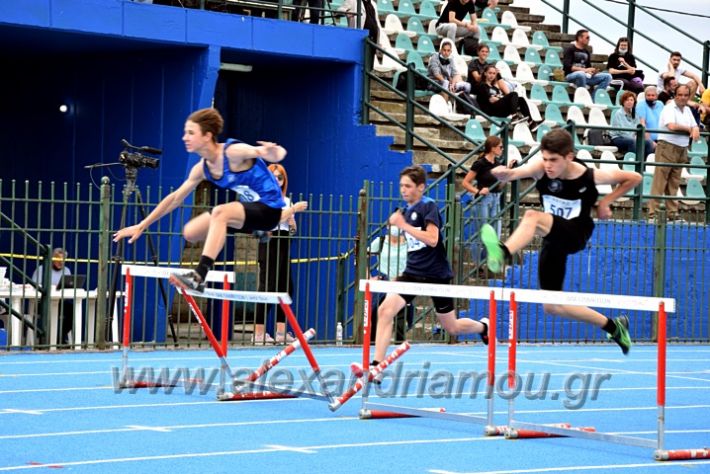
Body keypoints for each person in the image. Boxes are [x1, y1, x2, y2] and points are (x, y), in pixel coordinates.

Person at [480, 128, 641, 355]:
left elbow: (634, 177)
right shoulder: (540, 169)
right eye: (545, 159)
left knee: (532, 216)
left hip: (577, 233)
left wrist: (606, 201)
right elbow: (514, 174)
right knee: (552, 305)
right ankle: (614, 327)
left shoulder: (589, 175)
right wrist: (504, 174)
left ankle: (503, 252)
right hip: (553, 240)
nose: (548, 165)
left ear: (569, 157)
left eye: (554, 160)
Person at [112, 108, 308, 292]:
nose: (184, 138)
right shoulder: (201, 169)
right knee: (190, 232)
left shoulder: (233, 152)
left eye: (190, 133)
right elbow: (175, 198)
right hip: (251, 214)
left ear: (207, 136)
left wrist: (274, 152)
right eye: (185, 132)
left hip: (270, 210)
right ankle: (256, 231)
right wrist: (142, 225)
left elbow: (272, 154)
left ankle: (199, 276)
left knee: (220, 212)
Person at [353, 165, 490, 380]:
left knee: (451, 327)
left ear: (421, 187)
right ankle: (377, 366)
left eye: (408, 186)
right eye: (401, 186)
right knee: (385, 310)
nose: (403, 190)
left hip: (437, 275)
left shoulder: (429, 207)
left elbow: (433, 239)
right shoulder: (406, 211)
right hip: (413, 273)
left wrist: (403, 226)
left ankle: (483, 326)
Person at [253, 164, 299, 345]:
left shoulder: (287, 201)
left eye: (280, 177)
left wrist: (292, 220)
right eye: (274, 176)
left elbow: (292, 229)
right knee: (267, 284)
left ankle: (281, 331)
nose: (277, 180)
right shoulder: (263, 198)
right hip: (269, 241)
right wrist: (291, 211)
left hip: (284, 240)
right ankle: (258, 332)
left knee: (286, 285)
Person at [647, 84, 700, 221]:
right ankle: (653, 214)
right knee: (660, 181)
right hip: (667, 147)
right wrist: (690, 129)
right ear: (675, 95)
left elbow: (694, 125)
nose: (682, 97)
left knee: (674, 182)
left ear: (688, 96)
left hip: (681, 148)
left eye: (685, 95)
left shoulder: (687, 110)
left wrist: (695, 128)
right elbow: (671, 126)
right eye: (680, 94)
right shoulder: (669, 108)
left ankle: (672, 213)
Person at [461, 136, 507, 275]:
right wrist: (478, 191)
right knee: (482, 234)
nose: (502, 149)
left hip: (496, 198)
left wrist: (507, 173)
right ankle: (478, 266)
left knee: (495, 235)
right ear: (492, 148)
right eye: (500, 147)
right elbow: (465, 182)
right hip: (483, 200)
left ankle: (486, 262)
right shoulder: (480, 163)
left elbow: (500, 185)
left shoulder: (498, 163)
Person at [367, 225, 413, 343]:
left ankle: (399, 345)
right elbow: (363, 256)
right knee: (376, 315)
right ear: (388, 226)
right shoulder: (380, 241)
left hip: (402, 284)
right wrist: (369, 277)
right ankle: (373, 344)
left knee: (401, 319)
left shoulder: (409, 243)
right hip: (384, 283)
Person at [31, 248, 74, 345]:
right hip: (43, 302)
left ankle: (59, 337)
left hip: (60, 302)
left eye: (63, 260)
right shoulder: (42, 269)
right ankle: (46, 339)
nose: (60, 263)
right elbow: (33, 287)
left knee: (72, 310)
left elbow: (69, 287)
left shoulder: (67, 270)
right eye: (58, 260)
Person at [475, 64, 539, 129]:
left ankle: (531, 122)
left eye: (494, 73)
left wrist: (499, 98)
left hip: (498, 110)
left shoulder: (494, 87)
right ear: (485, 73)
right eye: (490, 73)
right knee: (513, 94)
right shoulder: (482, 85)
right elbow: (491, 100)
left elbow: (497, 98)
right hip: (489, 110)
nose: (492, 75)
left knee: (521, 99)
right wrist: (500, 98)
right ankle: (514, 116)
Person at [563, 29, 612, 94]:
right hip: (571, 76)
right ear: (580, 38)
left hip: (585, 76)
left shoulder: (586, 52)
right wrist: (584, 70)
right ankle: (583, 97)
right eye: (587, 37)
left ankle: (593, 99)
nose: (589, 39)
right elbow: (567, 66)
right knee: (581, 74)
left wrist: (592, 71)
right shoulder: (570, 49)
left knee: (608, 76)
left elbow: (588, 67)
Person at [609, 91, 655, 157]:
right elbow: (622, 132)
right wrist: (635, 137)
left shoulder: (635, 113)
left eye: (631, 100)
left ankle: (644, 164)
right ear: (623, 102)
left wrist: (640, 137)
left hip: (632, 137)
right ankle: (633, 163)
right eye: (627, 100)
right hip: (618, 138)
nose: (629, 102)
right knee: (632, 142)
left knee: (649, 142)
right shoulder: (619, 113)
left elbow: (638, 127)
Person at [427, 39, 471, 106]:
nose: (446, 52)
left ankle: (464, 106)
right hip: (433, 82)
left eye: (448, 51)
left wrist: (453, 84)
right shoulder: (434, 57)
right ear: (441, 50)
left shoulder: (450, 59)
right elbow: (436, 74)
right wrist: (448, 84)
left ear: (450, 51)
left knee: (467, 85)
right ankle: (445, 106)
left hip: (447, 84)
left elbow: (455, 74)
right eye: (444, 50)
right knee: (446, 83)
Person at [635, 85, 665, 150]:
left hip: (661, 139)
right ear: (645, 96)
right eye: (648, 95)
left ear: (656, 96)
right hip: (647, 140)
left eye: (653, 95)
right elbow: (642, 123)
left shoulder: (660, 104)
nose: (651, 97)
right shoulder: (641, 104)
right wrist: (650, 141)